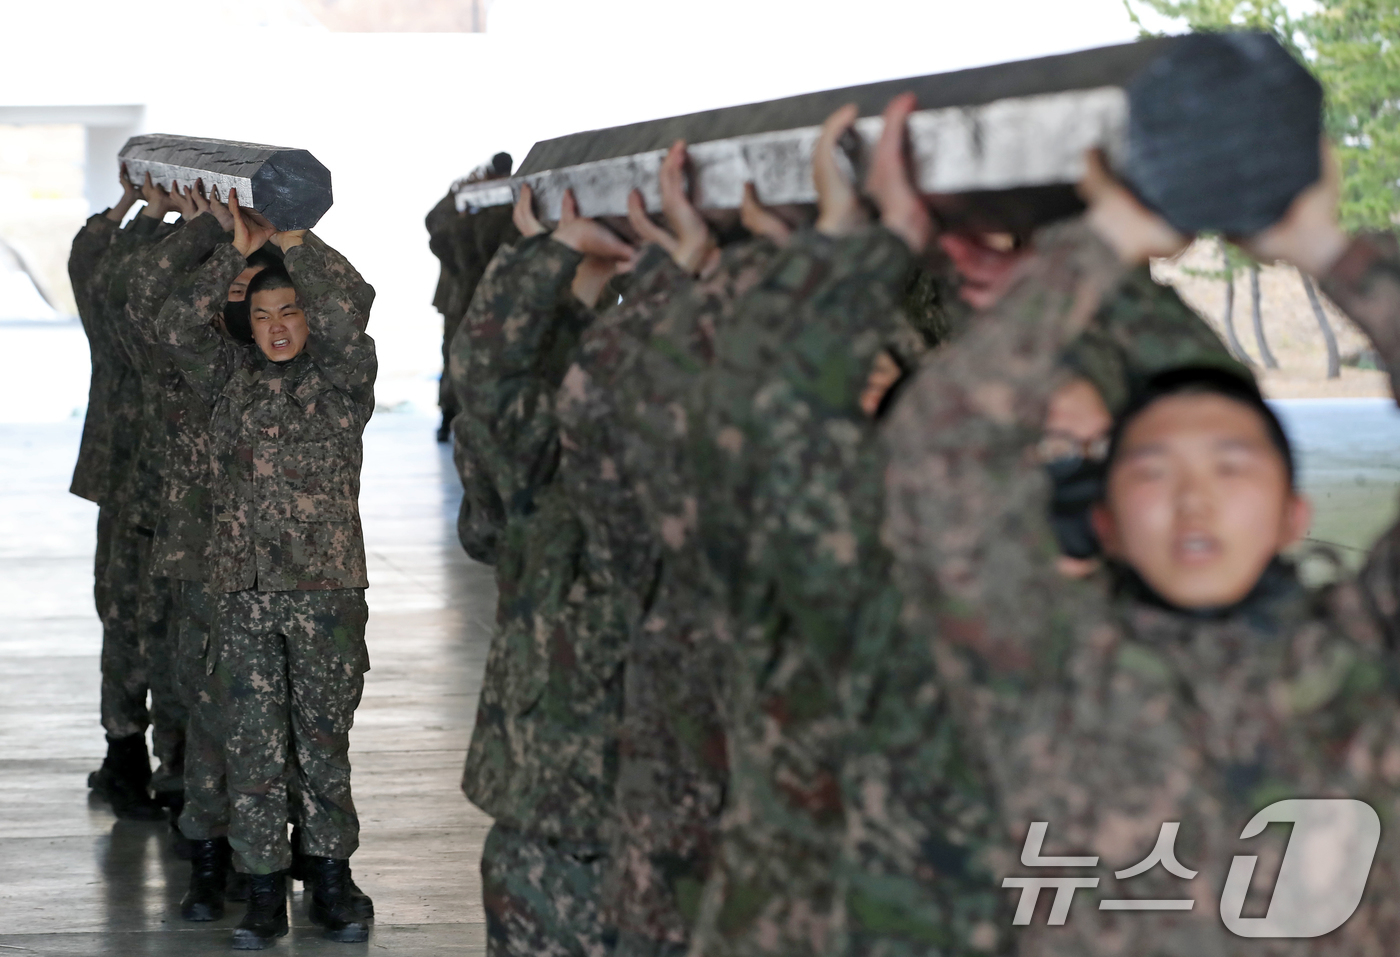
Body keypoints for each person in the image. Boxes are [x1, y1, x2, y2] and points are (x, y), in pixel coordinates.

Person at [882, 131, 1400, 955]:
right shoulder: (1041, 664)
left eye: (1232, 470)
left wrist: (1321, 247)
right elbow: (938, 452)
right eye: (1153, 474)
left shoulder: (1362, 662)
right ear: (1106, 522)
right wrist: (1098, 254)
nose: (1194, 501)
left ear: (1294, 514)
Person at [151, 191, 376, 949]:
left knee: (321, 739)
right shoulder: (227, 381)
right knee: (251, 744)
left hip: (324, 593)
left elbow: (351, 306)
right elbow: (174, 323)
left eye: (292, 314)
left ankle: (333, 876)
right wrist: (236, 254)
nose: (278, 329)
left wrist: (294, 239)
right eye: (265, 315)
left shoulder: (344, 380)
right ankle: (260, 887)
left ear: (309, 319)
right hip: (241, 595)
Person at [79, 171, 184, 821]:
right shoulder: (135, 290)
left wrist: (139, 207)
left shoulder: (102, 273)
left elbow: (92, 251)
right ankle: (140, 756)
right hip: (145, 473)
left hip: (126, 469)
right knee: (147, 619)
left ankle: (126, 749)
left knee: (126, 613)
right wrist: (182, 220)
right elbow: (116, 268)